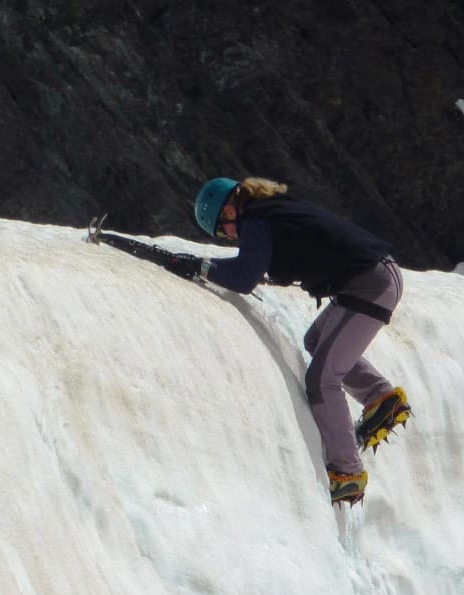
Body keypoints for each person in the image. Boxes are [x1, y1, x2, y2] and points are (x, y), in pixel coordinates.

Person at [164, 177, 411, 507]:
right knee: (316, 341)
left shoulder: (255, 219)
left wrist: (201, 266)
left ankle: (347, 472)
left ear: (229, 209)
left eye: (224, 229)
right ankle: (381, 399)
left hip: (368, 284)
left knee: (322, 380)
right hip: (371, 277)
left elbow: (243, 276)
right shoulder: (271, 211)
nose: (228, 237)